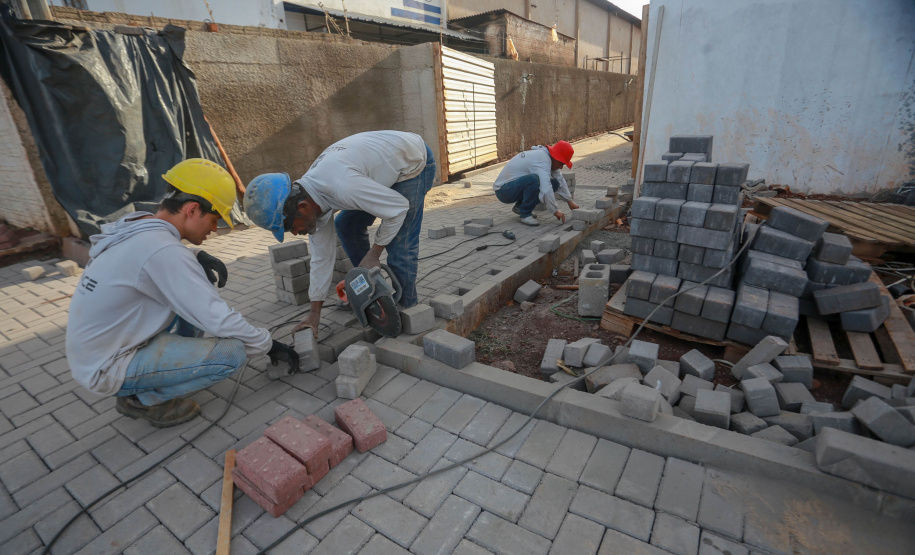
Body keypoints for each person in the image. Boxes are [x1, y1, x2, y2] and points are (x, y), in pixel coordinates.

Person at [65, 159, 299, 428]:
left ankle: (153, 376)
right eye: (215, 219)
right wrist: (270, 345)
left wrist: (197, 255)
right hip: (108, 366)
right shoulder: (163, 252)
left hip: (100, 348)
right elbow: (218, 319)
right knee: (233, 353)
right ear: (192, 209)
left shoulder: (137, 225)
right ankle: (143, 398)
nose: (214, 229)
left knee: (194, 291)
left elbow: (150, 260)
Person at [244, 130, 436, 338]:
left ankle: (406, 307)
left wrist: (374, 253)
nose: (295, 233)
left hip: (413, 163)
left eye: (291, 227)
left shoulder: (342, 185)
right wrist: (314, 314)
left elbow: (398, 208)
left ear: (303, 207)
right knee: (346, 225)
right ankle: (372, 289)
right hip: (375, 170)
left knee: (400, 242)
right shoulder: (312, 199)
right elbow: (321, 259)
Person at [493, 140, 579, 226]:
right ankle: (525, 214)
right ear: (555, 157)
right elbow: (546, 190)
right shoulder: (543, 160)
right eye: (561, 163)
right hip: (503, 191)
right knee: (533, 180)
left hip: (512, 187)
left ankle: (520, 207)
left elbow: (560, 180)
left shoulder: (549, 159)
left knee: (555, 183)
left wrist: (569, 201)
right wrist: (555, 211)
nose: (561, 167)